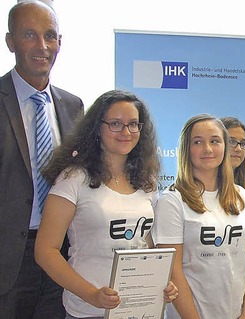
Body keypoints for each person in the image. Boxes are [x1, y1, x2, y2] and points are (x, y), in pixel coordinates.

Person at [34, 90, 178, 318]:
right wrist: (91, 294)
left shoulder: (147, 181)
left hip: (138, 310)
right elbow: (45, 251)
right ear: (97, 128)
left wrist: (162, 281)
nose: (126, 132)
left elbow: (145, 245)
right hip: (88, 310)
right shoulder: (73, 179)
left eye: (133, 124)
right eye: (115, 124)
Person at [0, 1, 84, 317]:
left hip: (61, 253)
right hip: (8, 259)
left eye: (50, 36)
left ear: (60, 42)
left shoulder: (73, 106)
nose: (42, 46)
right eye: (29, 35)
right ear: (10, 41)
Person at [152, 114, 245, 319]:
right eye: (198, 142)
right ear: (186, 149)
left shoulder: (243, 196)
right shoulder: (172, 200)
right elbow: (172, 270)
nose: (208, 149)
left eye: (215, 141)